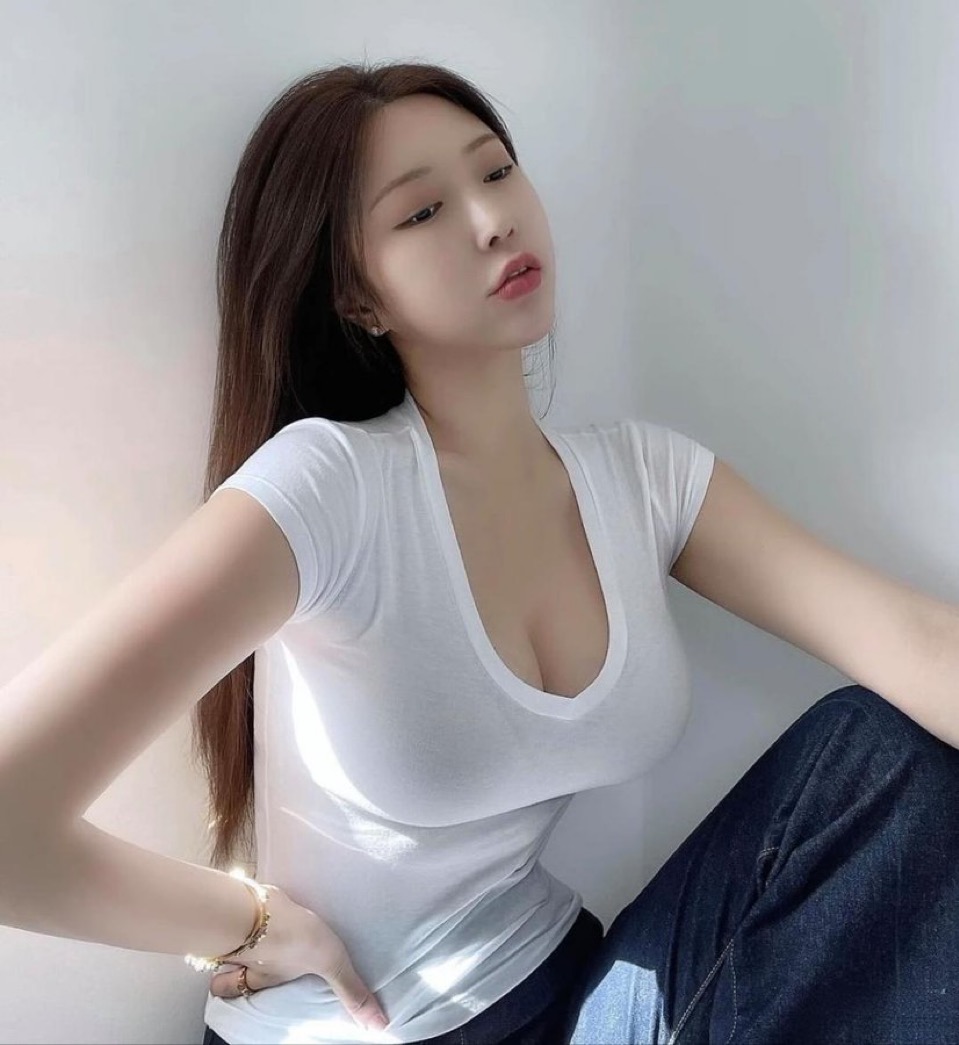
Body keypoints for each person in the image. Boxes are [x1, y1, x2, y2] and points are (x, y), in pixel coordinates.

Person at [1, 59, 958, 1045]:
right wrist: (245, 922)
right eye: (421, 212)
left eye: (496, 171)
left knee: (882, 756)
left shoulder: (644, 479)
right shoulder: (329, 488)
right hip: (372, 1027)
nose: (493, 219)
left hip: (572, 998)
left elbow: (915, 641)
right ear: (358, 300)